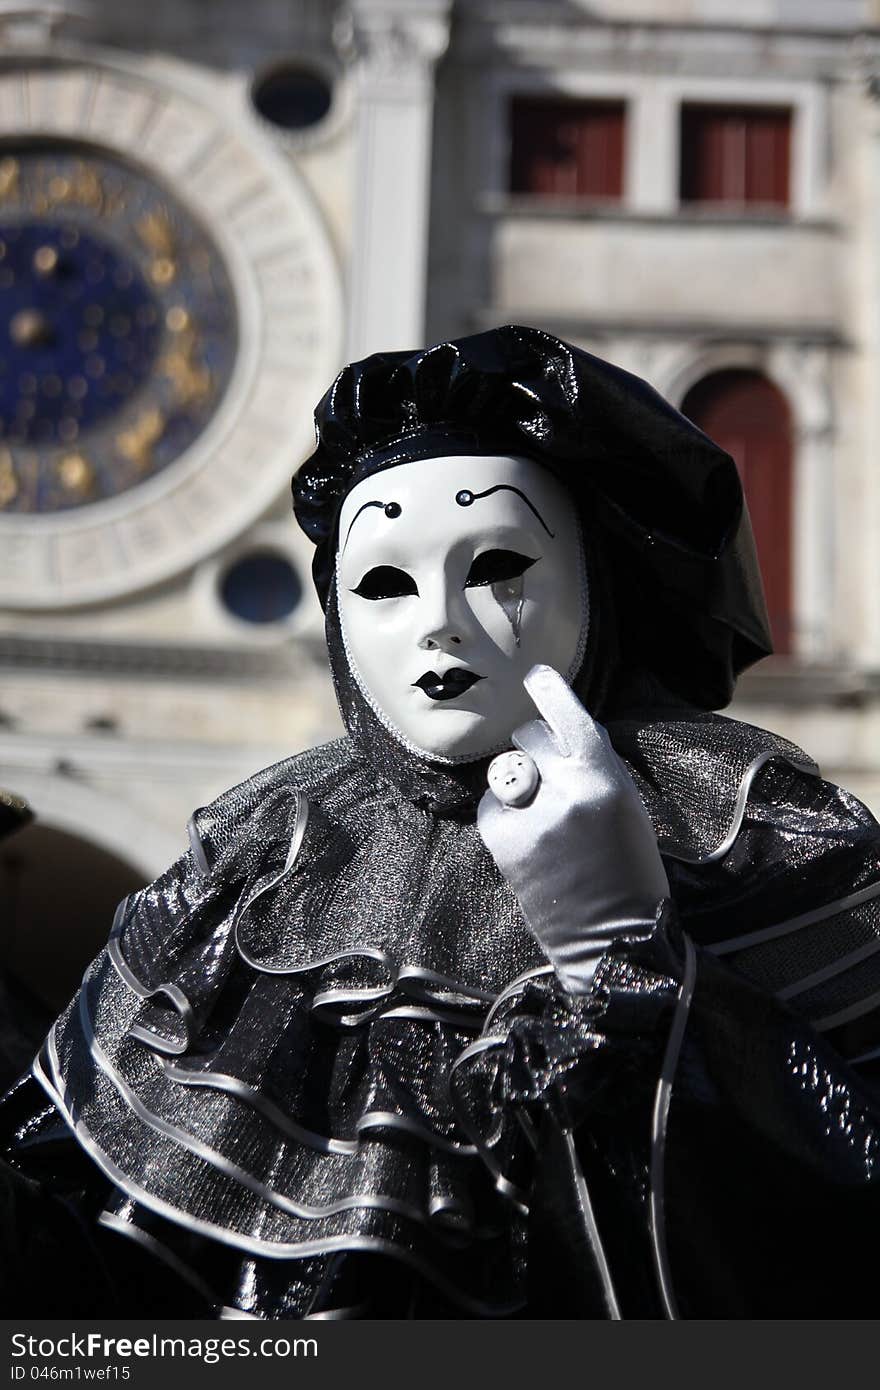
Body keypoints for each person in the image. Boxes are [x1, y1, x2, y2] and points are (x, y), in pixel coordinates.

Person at [2, 325, 880, 1318]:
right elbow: (93, 1286)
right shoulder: (250, 861)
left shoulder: (750, 831)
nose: (437, 622)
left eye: (498, 562)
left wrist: (635, 966)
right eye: (383, 580)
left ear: (601, 585)